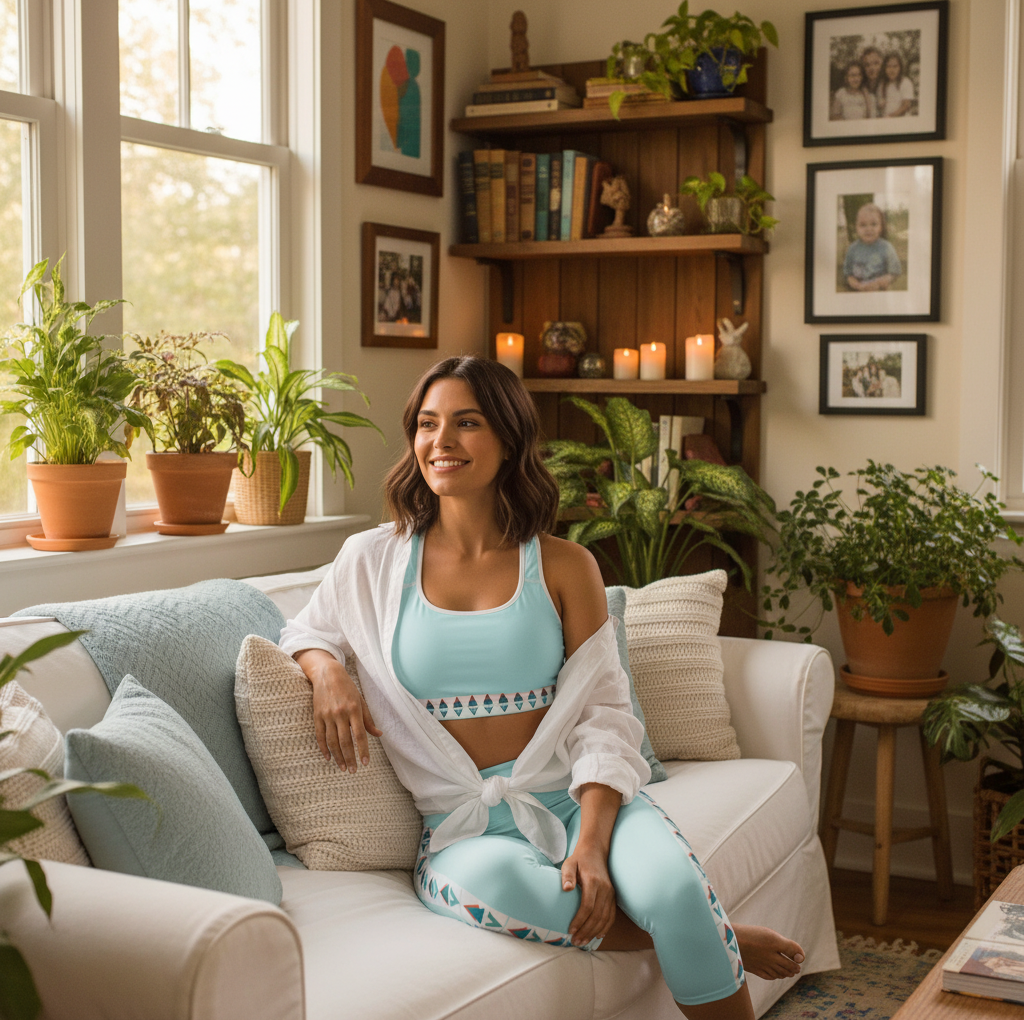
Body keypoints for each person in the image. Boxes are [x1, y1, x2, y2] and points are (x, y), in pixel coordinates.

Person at [278, 356, 805, 1020]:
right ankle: (713, 935)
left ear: (507, 438)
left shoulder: (562, 564)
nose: (441, 442)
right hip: (464, 830)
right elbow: (307, 629)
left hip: (578, 797)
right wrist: (326, 672)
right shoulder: (371, 561)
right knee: (505, 888)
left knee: (672, 893)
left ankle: (692, 924)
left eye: (466, 423)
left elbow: (605, 712)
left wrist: (590, 839)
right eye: (427, 424)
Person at [843, 202, 901, 292]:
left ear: (881, 227)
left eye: (873, 224)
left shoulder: (887, 247)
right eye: (863, 225)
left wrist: (880, 282)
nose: (868, 229)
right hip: (858, 292)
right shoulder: (852, 249)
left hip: (881, 292)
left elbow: (894, 272)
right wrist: (856, 284)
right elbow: (848, 274)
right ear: (856, 228)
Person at [876, 52, 915, 117]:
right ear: (884, 68)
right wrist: (880, 105)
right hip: (886, 120)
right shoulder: (882, 84)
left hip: (901, 120)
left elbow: (906, 105)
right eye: (888, 66)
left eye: (895, 66)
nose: (892, 70)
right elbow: (879, 104)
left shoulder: (905, 82)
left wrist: (891, 116)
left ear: (900, 67)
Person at [860, 46, 884, 110]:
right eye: (867, 65)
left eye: (876, 63)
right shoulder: (859, 89)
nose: (872, 68)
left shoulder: (889, 85)